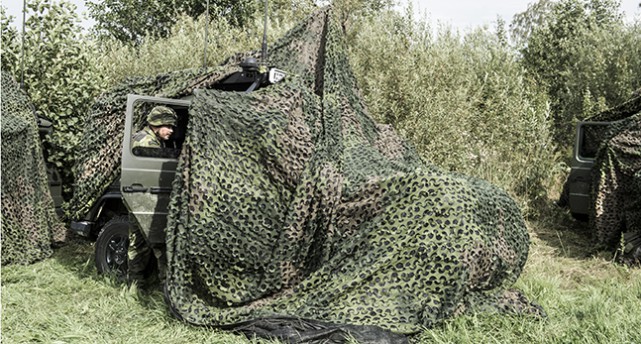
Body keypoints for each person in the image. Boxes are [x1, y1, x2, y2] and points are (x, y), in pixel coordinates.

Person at [128, 105, 177, 288]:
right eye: (168, 126)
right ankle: (167, 288)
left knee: (138, 244)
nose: (171, 131)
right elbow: (156, 173)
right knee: (159, 244)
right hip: (145, 199)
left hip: (137, 196)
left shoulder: (145, 138)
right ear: (157, 124)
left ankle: (136, 284)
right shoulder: (147, 142)